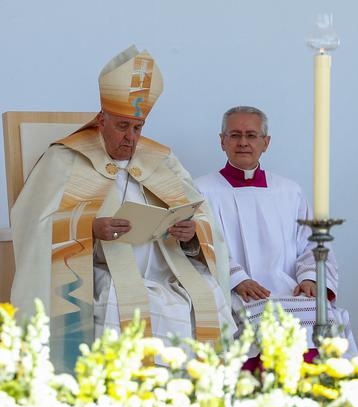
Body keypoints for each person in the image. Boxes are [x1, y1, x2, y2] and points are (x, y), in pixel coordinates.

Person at [10, 46, 235, 373]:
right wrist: (89, 228)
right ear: (101, 120)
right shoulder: (65, 158)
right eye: (122, 126)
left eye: (138, 127)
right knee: (125, 302)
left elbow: (198, 216)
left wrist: (190, 234)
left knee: (207, 294)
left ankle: (190, 397)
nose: (131, 138)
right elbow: (33, 224)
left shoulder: (161, 159)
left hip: (164, 270)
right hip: (100, 270)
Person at [195, 106, 355, 355]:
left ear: (265, 142)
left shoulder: (289, 191)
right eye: (235, 135)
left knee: (324, 318)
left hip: (290, 288)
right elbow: (199, 246)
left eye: (252, 135)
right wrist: (237, 280)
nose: (243, 142)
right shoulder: (201, 191)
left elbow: (313, 244)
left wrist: (310, 279)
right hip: (235, 291)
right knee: (257, 323)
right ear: (222, 141)